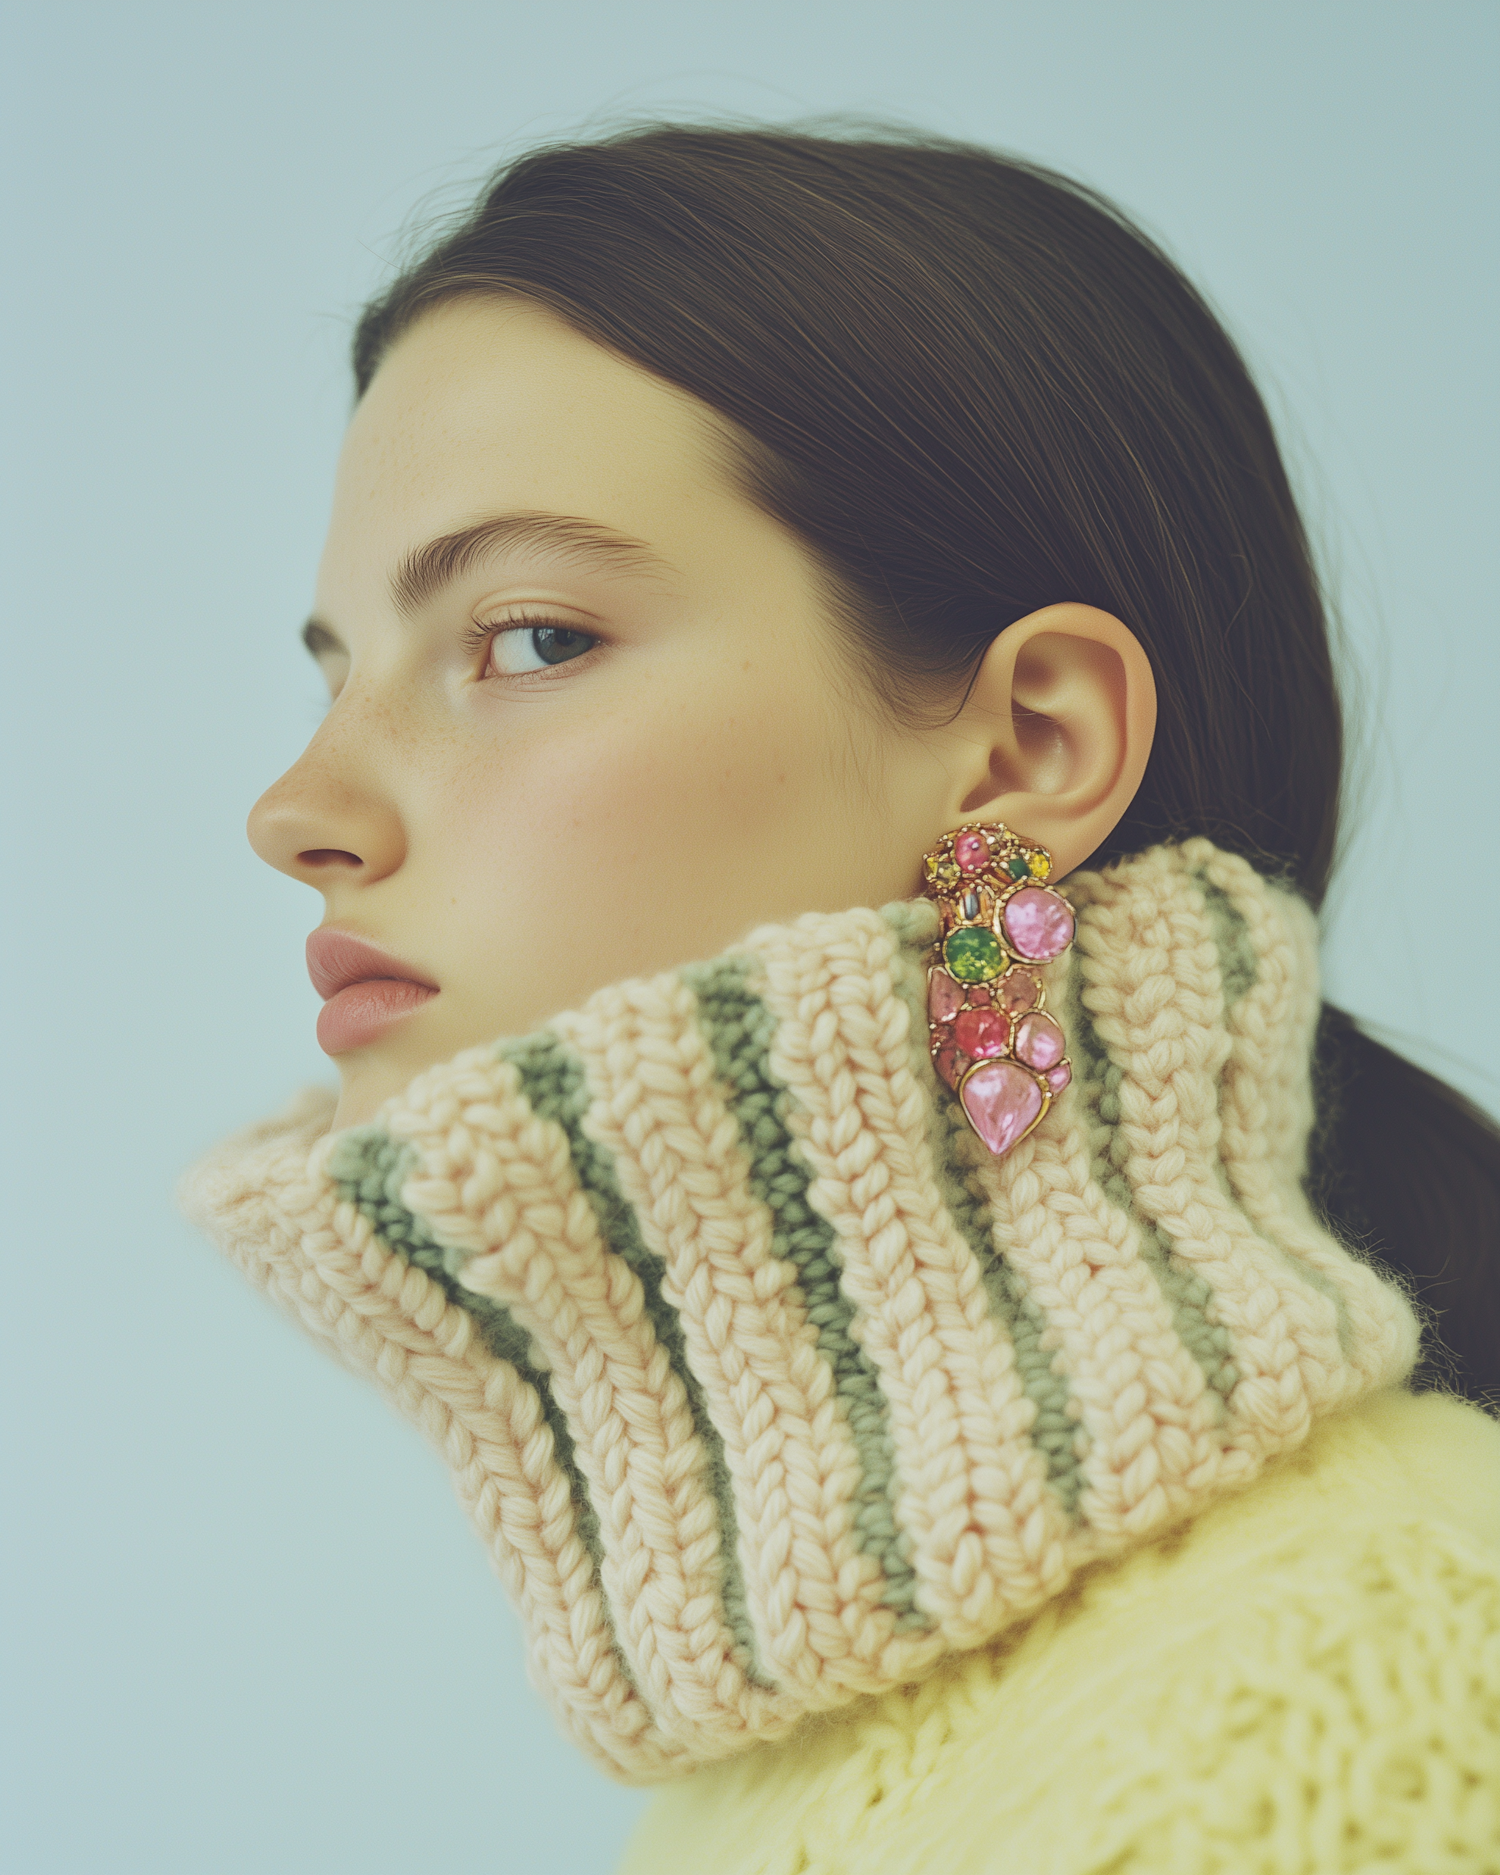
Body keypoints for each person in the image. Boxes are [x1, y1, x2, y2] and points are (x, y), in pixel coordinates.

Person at [182, 124, 1500, 1873]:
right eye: (340, 673)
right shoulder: (750, 1780)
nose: (298, 811)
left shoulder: (1380, 1690)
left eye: (531, 638)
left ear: (1028, 749)